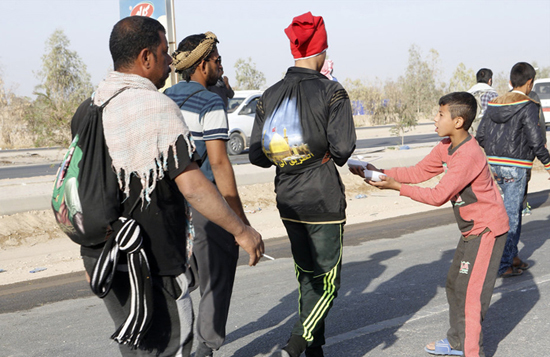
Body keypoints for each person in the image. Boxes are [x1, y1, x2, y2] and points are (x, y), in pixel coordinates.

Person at [80, 17, 264, 357]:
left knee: (139, 342)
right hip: (153, 252)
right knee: (174, 341)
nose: (170, 61)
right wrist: (241, 228)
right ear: (146, 57)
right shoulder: (155, 106)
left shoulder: (90, 107)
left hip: (104, 252)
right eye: (165, 52)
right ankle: (208, 345)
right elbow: (197, 181)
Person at [351, 92, 509, 357]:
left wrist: (396, 187)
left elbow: (437, 196)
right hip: (472, 230)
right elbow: (419, 172)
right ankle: (458, 342)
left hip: (487, 230)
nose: (434, 119)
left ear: (458, 121)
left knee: (471, 295)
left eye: (440, 114)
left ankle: (471, 351)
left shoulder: (468, 154)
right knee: (454, 284)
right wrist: (379, 172)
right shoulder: (446, 145)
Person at [249, 12, 356, 357]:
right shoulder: (332, 91)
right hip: (322, 198)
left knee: (307, 276)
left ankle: (314, 349)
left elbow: (257, 156)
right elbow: (342, 150)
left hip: (287, 199)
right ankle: (295, 346)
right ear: (322, 52)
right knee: (327, 283)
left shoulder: (269, 94)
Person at [164, 32, 252, 357]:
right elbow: (219, 161)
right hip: (205, 203)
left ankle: (178, 340)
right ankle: (205, 347)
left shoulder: (166, 97)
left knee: (185, 273)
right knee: (218, 272)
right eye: (216, 60)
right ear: (203, 64)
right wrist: (239, 221)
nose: (221, 65)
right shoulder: (210, 102)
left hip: (172, 205)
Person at [476, 62, 550, 278]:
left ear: (510, 81)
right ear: (530, 82)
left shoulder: (494, 103)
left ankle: (513, 256)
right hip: (516, 167)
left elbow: (481, 135)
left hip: (495, 166)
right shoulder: (528, 105)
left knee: (512, 211)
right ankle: (504, 264)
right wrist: (548, 164)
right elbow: (537, 143)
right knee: (512, 217)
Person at [467, 68, 498, 135]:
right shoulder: (493, 94)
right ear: (490, 80)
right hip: (487, 132)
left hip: (471, 132)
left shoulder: (468, 94)